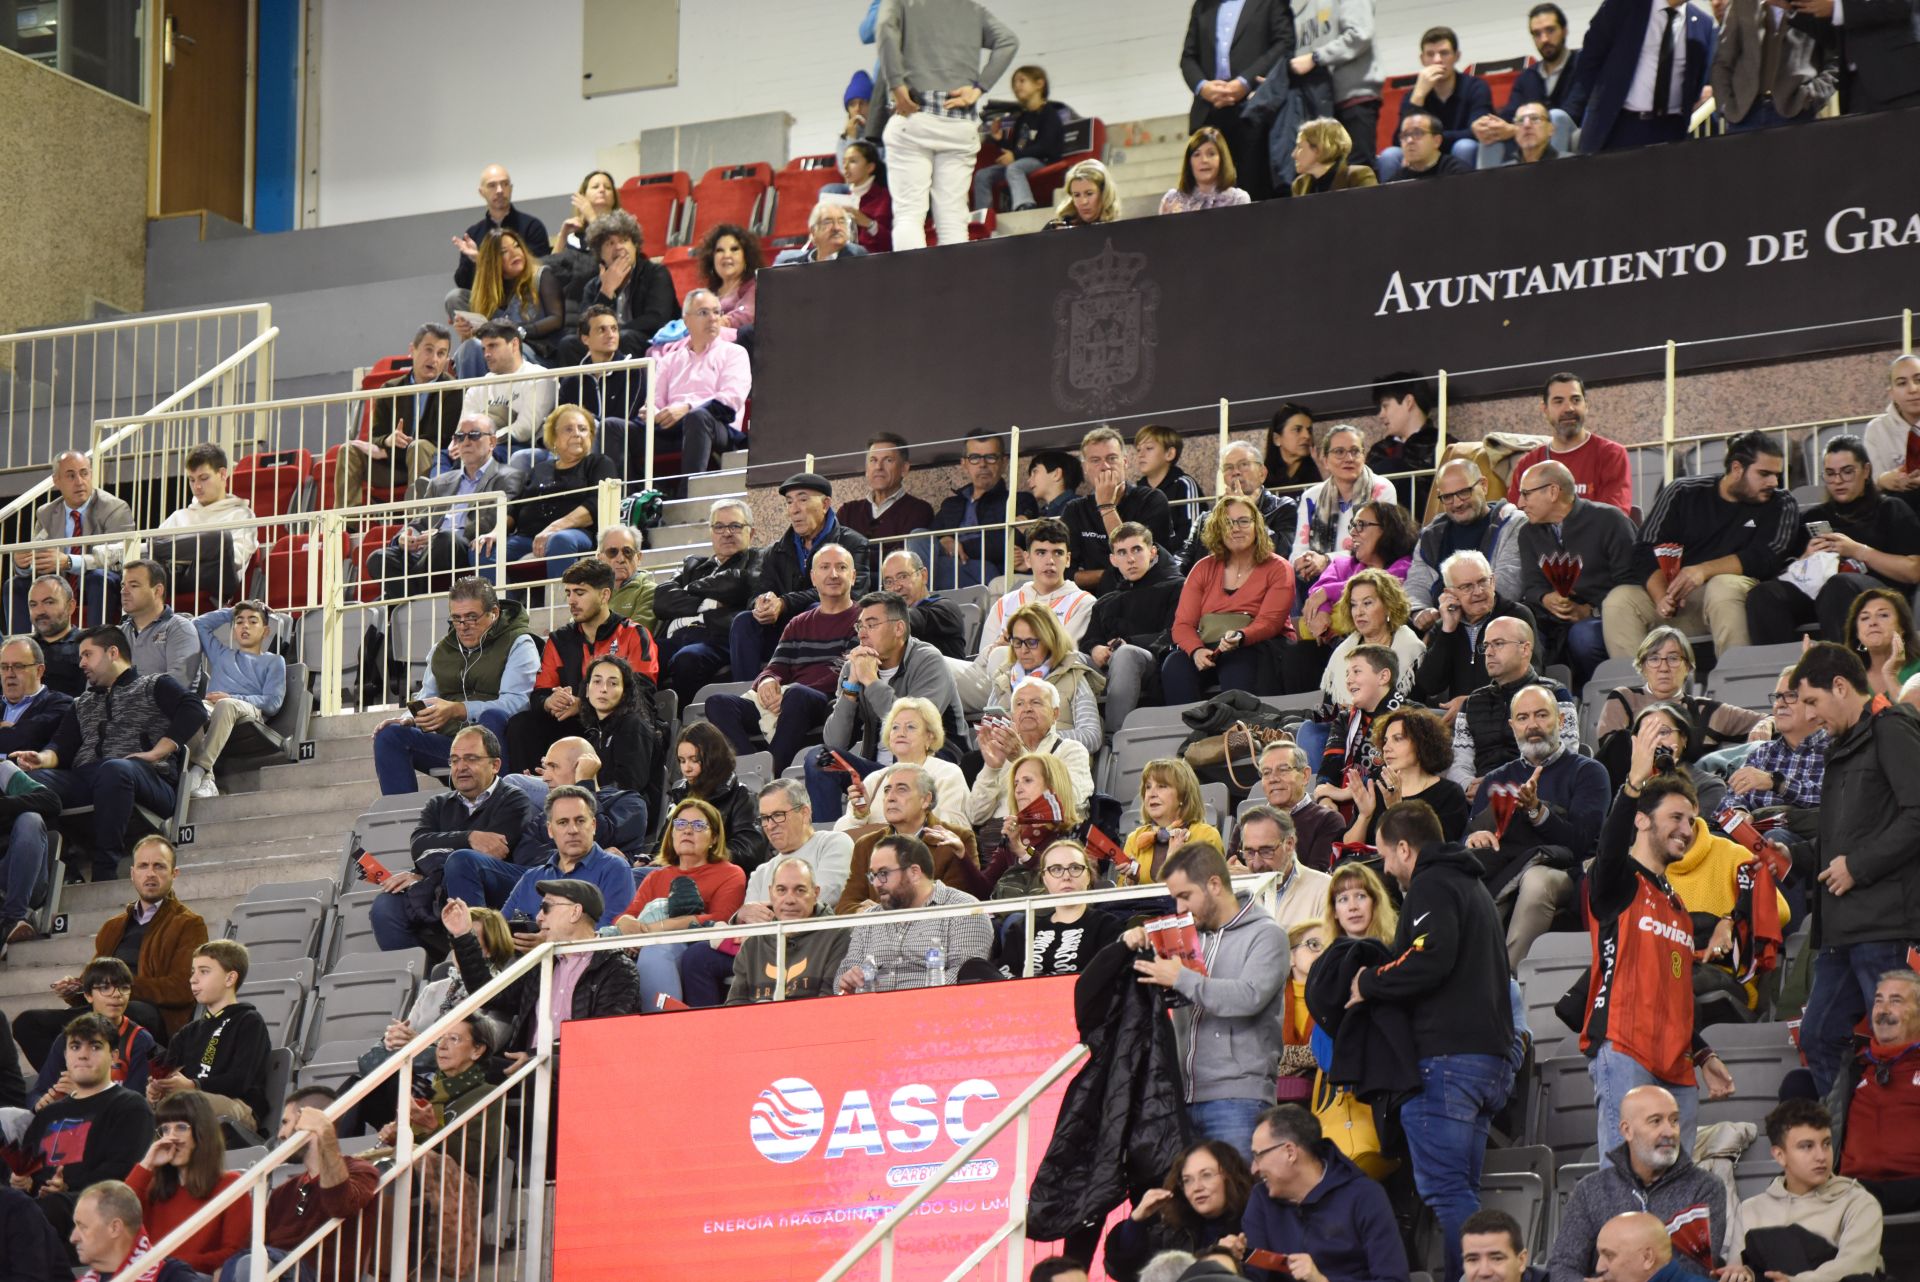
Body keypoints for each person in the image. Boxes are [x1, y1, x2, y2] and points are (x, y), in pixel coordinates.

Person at [1351, 801, 1514, 1282]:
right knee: (1462, 1190)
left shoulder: (1431, 883)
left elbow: (1428, 957)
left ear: (1405, 848)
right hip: (1487, 1061)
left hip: (1447, 1061)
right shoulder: (1470, 884)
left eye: (1385, 855)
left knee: (1446, 1192)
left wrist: (1370, 980)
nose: (1384, 867)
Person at [1579, 727, 1737, 1156]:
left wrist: (1704, 1055)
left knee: (1676, 1194)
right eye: (1676, 817)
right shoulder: (1617, 883)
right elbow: (1609, 850)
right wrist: (1632, 784)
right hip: (1626, 1050)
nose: (1687, 829)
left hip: (1678, 1067)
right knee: (1625, 1185)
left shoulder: (1679, 908)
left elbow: (1675, 995)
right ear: (1642, 819)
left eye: (1692, 820)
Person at [1792, 643, 1920, 1096]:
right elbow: (1846, 834)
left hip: (1886, 928)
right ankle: (1851, 1150)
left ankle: (1902, 1151)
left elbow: (1917, 814)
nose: (1809, 715)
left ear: (1841, 686)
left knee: (1899, 1046)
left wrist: (1858, 868)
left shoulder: (1892, 731)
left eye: (1812, 701)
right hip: (1842, 933)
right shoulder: (1842, 745)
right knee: (1818, 1037)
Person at [1124, 843, 1286, 1153]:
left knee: (1238, 1198)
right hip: (1182, 1097)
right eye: (1175, 898)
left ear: (1214, 884)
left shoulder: (1267, 934)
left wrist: (1181, 978)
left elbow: (1249, 996)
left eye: (1185, 896)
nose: (1179, 907)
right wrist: (1132, 941)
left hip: (1239, 1098)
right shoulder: (1185, 938)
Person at [12, 627, 204, 883]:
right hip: (88, 777)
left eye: (87, 655)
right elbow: (60, 747)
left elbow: (194, 709)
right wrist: (40, 760)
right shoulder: (81, 703)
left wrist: (159, 750)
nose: (81, 663)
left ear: (112, 653)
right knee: (28, 782)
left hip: (146, 777)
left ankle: (104, 872)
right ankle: (66, 869)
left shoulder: (154, 684)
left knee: (114, 769)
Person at [9, 838, 204, 1070]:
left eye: (159, 866)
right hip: (104, 1010)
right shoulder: (113, 926)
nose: (150, 874)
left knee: (127, 1011)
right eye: (143, 866)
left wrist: (120, 988)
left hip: (151, 1015)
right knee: (27, 1023)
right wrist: (77, 988)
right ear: (132, 874)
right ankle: (72, 1087)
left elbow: (183, 989)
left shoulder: (189, 924)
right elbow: (94, 979)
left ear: (174, 873)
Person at [1603, 431, 1796, 659]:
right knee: (1619, 601)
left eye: (1777, 475)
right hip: (1678, 598)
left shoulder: (1781, 503)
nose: (1773, 482)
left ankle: (1736, 681)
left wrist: (1702, 571)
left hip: (1734, 598)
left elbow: (1766, 557)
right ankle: (1637, 691)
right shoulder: (1683, 492)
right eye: (1764, 474)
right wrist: (1661, 597)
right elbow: (1644, 549)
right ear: (1736, 469)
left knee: (1722, 586)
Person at [1465, 684, 1612, 967]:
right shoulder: (1497, 778)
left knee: (1535, 881)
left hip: (1567, 871)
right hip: (1506, 864)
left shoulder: (1588, 771)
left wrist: (1536, 811)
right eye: (1523, 718)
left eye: (1542, 715)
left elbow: (1581, 841)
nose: (1532, 725)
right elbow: (1466, 838)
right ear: (1512, 726)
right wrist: (1475, 837)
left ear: (1561, 720)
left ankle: (1507, 979)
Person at [368, 724, 540, 957]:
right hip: (448, 885)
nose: (461, 768)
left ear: (495, 765)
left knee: (462, 861)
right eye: (455, 760)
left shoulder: (514, 799)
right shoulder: (437, 804)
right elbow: (419, 846)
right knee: (385, 907)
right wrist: (469, 837)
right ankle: (427, 977)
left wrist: (429, 871)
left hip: (507, 886)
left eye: (471, 759)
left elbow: (493, 852)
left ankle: (476, 956)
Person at [1746, 435, 1920, 645]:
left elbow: (1913, 571)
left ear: (1865, 471)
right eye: (1830, 474)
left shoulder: (1891, 509)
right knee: (1763, 595)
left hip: (1877, 596)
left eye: (1847, 472)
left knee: (1838, 585)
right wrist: (1805, 559)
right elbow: (1784, 575)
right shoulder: (1812, 517)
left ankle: (1844, 667)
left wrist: (1858, 551)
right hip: (1818, 593)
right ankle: (1784, 672)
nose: (1838, 481)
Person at [369, 578, 537, 795]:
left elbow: (517, 702)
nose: (463, 627)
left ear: (493, 612)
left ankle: (498, 803)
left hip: (499, 746)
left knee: (492, 717)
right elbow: (427, 698)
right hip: (452, 746)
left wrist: (459, 710)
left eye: (471, 618)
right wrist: (409, 718)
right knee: (390, 735)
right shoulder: (442, 649)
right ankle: (398, 820)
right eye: (456, 619)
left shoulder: (519, 642)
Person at [806, 592, 965, 818]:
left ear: (899, 628)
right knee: (819, 759)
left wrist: (870, 680)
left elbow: (912, 724)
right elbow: (835, 741)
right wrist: (852, 684)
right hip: (878, 773)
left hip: (928, 767)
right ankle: (832, 841)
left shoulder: (928, 660)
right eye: (859, 626)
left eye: (871, 625)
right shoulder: (856, 666)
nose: (862, 633)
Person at [875, 0, 1018, 250]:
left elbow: (885, 27)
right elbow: (1009, 41)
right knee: (953, 219)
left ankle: (914, 287)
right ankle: (957, 288)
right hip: (960, 121)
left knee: (909, 214)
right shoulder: (973, 9)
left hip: (914, 115)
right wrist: (978, 88)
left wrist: (896, 85)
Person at [706, 543, 860, 775]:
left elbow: (845, 671)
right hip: (789, 698)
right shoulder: (798, 622)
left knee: (797, 694)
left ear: (853, 576)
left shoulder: (863, 619)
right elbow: (778, 665)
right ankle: (754, 769)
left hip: (828, 701)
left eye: (841, 567)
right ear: (813, 577)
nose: (833, 574)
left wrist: (788, 692)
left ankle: (774, 771)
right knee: (716, 703)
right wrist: (768, 680)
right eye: (825, 567)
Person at [1549, 1087, 1730, 1281]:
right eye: (1656, 1121)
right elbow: (1562, 1266)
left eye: (1674, 1120)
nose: (1669, 1131)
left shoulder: (1706, 1187)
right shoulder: (1590, 1189)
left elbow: (1695, 1271)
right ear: (1627, 1130)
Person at [504, 558, 655, 775]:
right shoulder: (559, 639)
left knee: (626, 724)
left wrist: (584, 705)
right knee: (521, 724)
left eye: (580, 592)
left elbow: (642, 694)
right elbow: (539, 693)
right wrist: (549, 701)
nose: (572, 601)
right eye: (568, 593)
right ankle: (527, 787)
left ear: (604, 595)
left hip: (615, 723)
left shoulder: (633, 633)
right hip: (573, 725)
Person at [452, 880, 639, 1054]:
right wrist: (463, 937)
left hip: (576, 1076)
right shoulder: (540, 962)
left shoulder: (617, 968)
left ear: (575, 912)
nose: (539, 918)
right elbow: (492, 997)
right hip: (529, 1073)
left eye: (546, 908)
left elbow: (604, 1036)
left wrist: (537, 1057)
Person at [213, 1088, 380, 1282]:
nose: (281, 1134)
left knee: (251, 1265)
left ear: (307, 1122)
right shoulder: (283, 1191)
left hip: (314, 1275)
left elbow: (340, 1206)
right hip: (273, 1268)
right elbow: (250, 1246)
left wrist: (325, 1132)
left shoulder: (360, 1171)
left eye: (285, 1122)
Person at [11, 1014, 152, 1241]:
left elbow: (121, 1174)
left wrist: (67, 1186)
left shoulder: (131, 1107)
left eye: (95, 1047)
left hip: (97, 1211)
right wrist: (23, 1182)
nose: (83, 1054)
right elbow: (28, 1167)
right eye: (75, 1047)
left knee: (47, 1208)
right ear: (66, 1055)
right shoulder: (49, 1113)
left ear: (114, 1056)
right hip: (41, 1208)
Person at [444, 783, 634, 942]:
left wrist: (546, 944)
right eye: (563, 823)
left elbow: (611, 934)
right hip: (523, 974)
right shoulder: (531, 878)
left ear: (593, 825)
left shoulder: (614, 868)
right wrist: (466, 930)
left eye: (580, 820)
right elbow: (499, 934)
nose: (573, 829)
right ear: (550, 830)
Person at [1240, 1104, 1409, 1282]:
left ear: (1290, 1152)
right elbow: (1254, 1277)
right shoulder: (1261, 1198)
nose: (1254, 1169)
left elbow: (1393, 1278)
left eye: (1258, 1156)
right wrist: (1228, 1263)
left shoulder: (1365, 1196)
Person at [1722, 1098, 1885, 1281]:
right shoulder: (1749, 1210)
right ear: (1780, 1155)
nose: (1821, 1156)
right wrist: (1744, 1274)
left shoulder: (1858, 1202)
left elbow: (1855, 1266)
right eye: (1807, 1146)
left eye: (1826, 1144)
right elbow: (1737, 1270)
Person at [363, 415, 526, 597]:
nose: (465, 442)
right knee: (378, 558)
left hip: (462, 545)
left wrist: (436, 536)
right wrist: (406, 538)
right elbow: (419, 523)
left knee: (446, 539)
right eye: (459, 436)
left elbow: (500, 517)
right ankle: (415, 600)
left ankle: (399, 600)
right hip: (427, 550)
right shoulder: (440, 482)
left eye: (473, 435)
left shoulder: (509, 476)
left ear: (492, 442)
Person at [730, 473, 872, 680]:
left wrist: (785, 603)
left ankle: (817, 685)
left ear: (825, 504)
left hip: (833, 631)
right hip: (785, 633)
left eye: (803, 500)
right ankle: (748, 692)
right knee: (745, 620)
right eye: (789, 502)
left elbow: (854, 594)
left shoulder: (852, 543)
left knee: (817, 609)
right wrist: (763, 603)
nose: (794, 509)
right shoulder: (776, 550)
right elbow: (758, 591)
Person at [1513, 459, 1640, 686]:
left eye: (1526, 494)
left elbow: (1632, 583)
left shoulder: (1610, 520)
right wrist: (1546, 598)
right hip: (1551, 619)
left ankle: (1602, 694)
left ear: (1553, 492)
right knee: (1520, 634)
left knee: (1583, 636)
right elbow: (1532, 586)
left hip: (1606, 617)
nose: (1519, 503)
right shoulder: (1527, 533)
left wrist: (1592, 611)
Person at [614, 797, 748, 1009]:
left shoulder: (730, 873)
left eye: (698, 825)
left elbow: (719, 920)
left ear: (713, 837)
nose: (687, 830)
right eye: (680, 824)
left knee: (656, 951)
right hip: (646, 946)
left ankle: (663, 1028)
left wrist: (654, 930)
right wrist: (625, 923)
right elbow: (627, 915)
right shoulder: (656, 877)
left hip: (696, 950)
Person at [1165, 496, 1296, 704]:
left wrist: (1241, 636)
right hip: (1210, 643)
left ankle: (1240, 733)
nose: (1235, 528)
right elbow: (1182, 625)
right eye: (1227, 522)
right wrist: (1196, 650)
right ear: (1218, 530)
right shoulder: (1202, 568)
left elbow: (1271, 622)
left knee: (1238, 661)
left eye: (1243, 521)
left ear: (1257, 526)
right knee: (1175, 664)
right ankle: (1190, 733)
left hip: (1261, 644)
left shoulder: (1278, 567)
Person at [961, 518, 1096, 712]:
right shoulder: (1005, 602)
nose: (1050, 561)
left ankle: (1008, 724)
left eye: (1057, 553)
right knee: (935, 662)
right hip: (991, 683)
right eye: (1041, 553)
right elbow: (982, 659)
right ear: (1027, 558)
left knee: (1001, 655)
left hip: (1046, 687)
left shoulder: (1083, 602)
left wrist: (1007, 650)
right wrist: (995, 647)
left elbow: (1064, 655)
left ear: (1067, 559)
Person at [1591, 628, 1766, 772]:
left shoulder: (1706, 711)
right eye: (1654, 659)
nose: (1664, 667)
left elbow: (1773, 720)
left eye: (1673, 659)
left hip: (1688, 793)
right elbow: (1613, 753)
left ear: (1688, 667)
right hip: (1630, 787)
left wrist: (1766, 723)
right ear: (1643, 667)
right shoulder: (1624, 698)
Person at [836, 833, 994, 991]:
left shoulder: (963, 909)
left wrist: (904, 1004)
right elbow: (840, 981)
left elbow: (967, 976)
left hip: (935, 1009)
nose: (876, 883)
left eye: (884, 874)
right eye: (873, 875)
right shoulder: (870, 919)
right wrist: (847, 983)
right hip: (872, 1009)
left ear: (914, 872)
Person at [145, 941, 269, 1134]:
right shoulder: (187, 1033)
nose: (193, 980)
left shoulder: (249, 1022)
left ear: (230, 978)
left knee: (185, 1104)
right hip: (186, 1105)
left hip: (238, 1106)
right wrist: (156, 1090)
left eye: (203, 971)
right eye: (192, 972)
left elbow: (241, 1080)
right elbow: (168, 1073)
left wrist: (195, 1085)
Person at [1825, 969, 1920, 1212]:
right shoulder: (1854, 1069)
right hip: (1854, 1193)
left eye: (1896, 1001)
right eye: (1878, 1001)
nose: (1883, 1010)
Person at [1179, 0, 1293, 202]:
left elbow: (1284, 43)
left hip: (1254, 110)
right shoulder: (1202, 6)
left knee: (1256, 195)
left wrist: (1244, 82)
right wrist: (1203, 87)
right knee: (1208, 200)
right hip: (1209, 113)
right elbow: (1188, 57)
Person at [337, 323, 461, 508]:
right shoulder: (390, 388)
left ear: (447, 358)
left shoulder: (453, 389)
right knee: (348, 450)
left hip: (432, 462)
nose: (434, 359)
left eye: (441, 353)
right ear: (413, 350)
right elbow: (376, 434)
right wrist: (387, 441)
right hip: (392, 464)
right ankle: (346, 529)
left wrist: (388, 448)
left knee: (419, 447)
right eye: (428, 350)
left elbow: (442, 438)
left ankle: (416, 525)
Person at [9, 452, 134, 634]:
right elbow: (39, 552)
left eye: (84, 473)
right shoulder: (47, 513)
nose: (79, 481)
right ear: (56, 481)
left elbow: (119, 558)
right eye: (70, 475)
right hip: (62, 583)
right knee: (15, 584)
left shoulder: (115, 508)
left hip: (99, 581)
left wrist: (69, 561)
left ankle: (97, 640)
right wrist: (24, 564)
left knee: (98, 578)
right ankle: (21, 648)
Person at [1570, 0, 1719, 152]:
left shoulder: (1702, 23)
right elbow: (1589, 58)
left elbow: (1697, 80)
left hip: (1671, 129)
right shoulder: (1625, 5)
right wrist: (1602, 102)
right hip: (1619, 125)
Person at [1448, 617, 1579, 788]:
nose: (1489, 652)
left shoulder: (1555, 694)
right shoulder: (1472, 703)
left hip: (1537, 793)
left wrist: (1511, 787)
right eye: (1486, 645)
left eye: (1498, 643)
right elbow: (1459, 763)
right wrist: (1468, 786)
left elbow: (1566, 756)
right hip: (1482, 798)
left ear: (1525, 649)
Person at [127, 1092, 247, 1277]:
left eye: (181, 1127)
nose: (171, 1137)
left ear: (202, 1133)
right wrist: (146, 1165)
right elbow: (116, 1216)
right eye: (165, 1130)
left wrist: (170, 1264)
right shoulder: (152, 1187)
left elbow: (234, 1255)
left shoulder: (230, 1185)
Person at [653, 499, 762, 702]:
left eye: (735, 526)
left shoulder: (759, 559)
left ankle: (687, 727)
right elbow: (662, 600)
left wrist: (687, 593)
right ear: (711, 532)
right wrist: (709, 603)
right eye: (719, 527)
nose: (727, 533)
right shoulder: (694, 566)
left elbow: (736, 585)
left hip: (719, 638)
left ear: (751, 532)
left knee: (688, 658)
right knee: (640, 655)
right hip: (677, 637)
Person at [640, 289, 750, 485]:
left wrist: (688, 407)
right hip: (670, 426)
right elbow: (655, 402)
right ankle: (628, 502)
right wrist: (653, 412)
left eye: (717, 312)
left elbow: (729, 401)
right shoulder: (669, 360)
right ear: (686, 320)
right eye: (704, 313)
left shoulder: (735, 353)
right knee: (615, 427)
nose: (713, 319)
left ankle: (686, 496)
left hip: (716, 425)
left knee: (696, 417)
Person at [840, 763, 984, 912]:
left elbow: (958, 902)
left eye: (901, 789)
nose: (890, 798)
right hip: (876, 933)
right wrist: (860, 911)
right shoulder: (866, 845)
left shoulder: (957, 839)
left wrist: (881, 910)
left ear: (926, 800)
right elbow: (845, 905)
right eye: (887, 791)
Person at [1295, 500, 1417, 674]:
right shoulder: (1342, 564)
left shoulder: (1405, 566)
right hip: (1330, 646)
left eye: (1361, 525)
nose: (1353, 532)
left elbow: (1382, 584)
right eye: (1353, 525)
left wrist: (1328, 593)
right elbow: (1316, 591)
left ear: (1387, 529)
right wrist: (1322, 609)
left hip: (1381, 651)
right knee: (1298, 653)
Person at [499, 404, 619, 580]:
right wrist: (496, 532)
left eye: (583, 429)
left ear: (591, 436)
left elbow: (595, 505)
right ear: (554, 438)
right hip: (527, 538)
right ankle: (504, 605)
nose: (577, 433)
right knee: (485, 551)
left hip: (575, 534)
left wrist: (553, 528)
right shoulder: (539, 469)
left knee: (560, 540)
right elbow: (516, 507)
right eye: (568, 429)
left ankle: (564, 603)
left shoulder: (599, 463)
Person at [1104, 1142, 1255, 1282]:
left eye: (1206, 1175)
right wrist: (1136, 1220)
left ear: (1232, 1176)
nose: (1196, 1187)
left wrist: (1241, 1258)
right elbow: (1122, 1271)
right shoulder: (1173, 1230)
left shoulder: (1256, 1222)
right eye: (1187, 1180)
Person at [963, 677, 1095, 830]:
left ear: (1055, 714)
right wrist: (992, 769)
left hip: (1048, 838)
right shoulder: (1002, 754)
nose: (1027, 708)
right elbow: (975, 816)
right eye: (1020, 704)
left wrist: (1020, 757)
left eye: (1036, 702)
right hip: (1000, 840)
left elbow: (1070, 800)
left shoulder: (1071, 750)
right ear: (1012, 717)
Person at [1091, 523, 1187, 733]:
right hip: (1106, 665)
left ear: (1152, 552)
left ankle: (1114, 736)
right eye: (1122, 553)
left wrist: (1130, 643)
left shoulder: (1176, 587)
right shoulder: (1105, 601)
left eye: (1137, 550)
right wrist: (1095, 649)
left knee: (1126, 654)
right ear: (1113, 560)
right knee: (1072, 660)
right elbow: (1090, 639)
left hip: (1155, 662)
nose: (1131, 559)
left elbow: (1175, 634)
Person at [183, 602, 285, 799]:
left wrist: (233, 697)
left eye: (252, 621)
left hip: (248, 711)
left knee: (226, 704)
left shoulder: (274, 661)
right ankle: (207, 780)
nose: (245, 626)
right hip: (215, 707)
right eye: (239, 622)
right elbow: (197, 625)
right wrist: (231, 612)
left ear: (265, 631)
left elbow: (273, 703)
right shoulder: (222, 655)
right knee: (190, 707)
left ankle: (199, 768)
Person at [1410, 553, 1537, 710]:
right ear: (1450, 593)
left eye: (1483, 581)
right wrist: (1447, 630)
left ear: (1493, 582)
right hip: (1460, 723)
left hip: (1508, 714)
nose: (1478, 591)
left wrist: (1472, 704)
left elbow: (1529, 678)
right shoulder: (1445, 627)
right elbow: (1430, 685)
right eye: (1467, 587)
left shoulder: (1516, 616)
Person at [1405, 461, 1525, 627]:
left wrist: (1450, 615)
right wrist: (1420, 612)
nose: (1457, 503)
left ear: (1483, 485)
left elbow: (1508, 584)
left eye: (1464, 492)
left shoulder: (1513, 524)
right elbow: (1417, 582)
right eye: (1447, 497)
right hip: (1439, 624)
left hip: (1495, 622)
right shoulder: (1432, 535)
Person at [723, 855, 851, 1004]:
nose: (789, 900)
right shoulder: (753, 942)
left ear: (816, 894)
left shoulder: (838, 935)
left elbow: (828, 1002)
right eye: (781, 890)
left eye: (800, 890)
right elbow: (735, 1004)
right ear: (771, 893)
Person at [23, 957, 154, 1103]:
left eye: (124, 988)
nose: (117, 994)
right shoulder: (67, 1038)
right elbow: (38, 1092)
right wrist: (40, 1104)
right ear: (88, 995)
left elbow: (134, 1104)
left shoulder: (140, 1039)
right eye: (105, 988)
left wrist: (85, 1092)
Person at [554, 210, 677, 363]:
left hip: (648, 341)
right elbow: (585, 328)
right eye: (610, 243)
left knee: (624, 339)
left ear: (635, 246)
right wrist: (606, 292)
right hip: (606, 342)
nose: (618, 247)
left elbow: (657, 319)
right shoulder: (592, 286)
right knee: (568, 344)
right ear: (600, 254)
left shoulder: (655, 273)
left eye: (624, 240)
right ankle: (581, 387)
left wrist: (614, 333)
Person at [1471, 6, 1584, 164]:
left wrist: (1517, 128)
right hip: (1531, 138)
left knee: (1557, 117)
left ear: (1564, 31)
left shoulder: (1583, 63)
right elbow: (1509, 115)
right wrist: (1491, 125)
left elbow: (1574, 111)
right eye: (1537, 34)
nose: (1544, 39)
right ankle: (1488, 188)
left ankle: (1554, 179)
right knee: (1491, 135)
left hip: (1571, 133)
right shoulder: (1527, 76)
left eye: (1550, 30)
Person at [1509, 374, 1634, 515]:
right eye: (1558, 401)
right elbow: (1516, 520)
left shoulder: (1612, 455)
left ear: (1586, 406)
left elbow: (1613, 519)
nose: (1569, 408)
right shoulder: (1528, 464)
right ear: (1545, 409)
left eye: (1576, 400)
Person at [1067, 428, 1174, 592]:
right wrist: (1113, 575)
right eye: (1095, 460)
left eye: (1112, 458)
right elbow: (1067, 573)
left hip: (1143, 594)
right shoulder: (1074, 510)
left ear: (1125, 461)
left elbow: (1148, 564)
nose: (1105, 466)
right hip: (1092, 602)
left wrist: (1106, 506)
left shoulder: (1152, 499)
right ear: (1085, 467)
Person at [995, 839, 1120, 976]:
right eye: (1056, 869)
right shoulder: (1022, 929)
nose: (1066, 876)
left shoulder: (1107, 926)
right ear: (1044, 879)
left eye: (1075, 868)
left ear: (1089, 876)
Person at [1290, 424, 1398, 582]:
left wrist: (1327, 560)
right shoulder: (1311, 497)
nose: (1349, 458)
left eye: (1355, 451)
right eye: (1339, 452)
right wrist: (1305, 561)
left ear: (1364, 456)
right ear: (1325, 460)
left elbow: (1380, 547)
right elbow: (1298, 551)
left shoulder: (1382, 489)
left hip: (1368, 574)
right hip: (1321, 577)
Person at [1376, 30, 1489, 179]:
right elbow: (1399, 140)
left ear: (1457, 56)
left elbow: (1477, 132)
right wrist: (1419, 96)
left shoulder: (1475, 87)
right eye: (1430, 54)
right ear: (1422, 59)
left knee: (1465, 146)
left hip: (1457, 154)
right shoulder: (1413, 95)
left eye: (1444, 53)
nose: (1437, 60)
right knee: (1389, 155)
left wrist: (1431, 140)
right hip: (1423, 152)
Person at [443, 164, 551, 320]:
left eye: (505, 184)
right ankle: (490, 335)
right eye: (492, 185)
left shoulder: (531, 226)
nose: (500, 190)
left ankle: (507, 333)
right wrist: (472, 261)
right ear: (482, 192)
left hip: (522, 300)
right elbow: (463, 284)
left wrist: (483, 259)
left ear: (511, 188)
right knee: (455, 297)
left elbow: (539, 271)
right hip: (489, 306)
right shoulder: (474, 233)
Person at [1345, 710, 1470, 844]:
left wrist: (1397, 809)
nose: (1386, 748)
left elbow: (1435, 852)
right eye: (1385, 741)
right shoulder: (1374, 790)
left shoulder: (1449, 794)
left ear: (1421, 743)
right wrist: (1364, 816)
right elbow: (1347, 850)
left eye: (1398, 739)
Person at [1711, 0, 1838, 130]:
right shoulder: (1742, 3)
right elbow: (1723, 61)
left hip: (1798, 112)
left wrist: (1812, 97)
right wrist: (1725, 104)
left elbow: (1836, 58)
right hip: (1744, 114)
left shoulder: (1817, 2)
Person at [153, 444, 258, 598]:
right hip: (176, 578)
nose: (197, 486)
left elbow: (236, 559)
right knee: (151, 549)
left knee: (220, 538)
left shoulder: (242, 515)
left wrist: (186, 553)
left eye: (204, 478)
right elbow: (154, 550)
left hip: (217, 580)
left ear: (222, 474)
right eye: (191, 480)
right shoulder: (179, 516)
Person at [1179, 443, 1298, 577]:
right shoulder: (1206, 520)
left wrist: (1247, 509)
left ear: (1262, 473)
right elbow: (1183, 559)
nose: (1235, 472)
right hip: (1212, 588)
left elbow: (1284, 552)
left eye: (1244, 465)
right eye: (1228, 468)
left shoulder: (1284, 508)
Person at [666, 722, 771, 873]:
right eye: (682, 761)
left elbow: (749, 851)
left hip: (719, 875)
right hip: (679, 870)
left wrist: (702, 854)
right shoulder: (680, 795)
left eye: (694, 760)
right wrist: (648, 859)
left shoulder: (742, 796)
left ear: (713, 757)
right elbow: (664, 843)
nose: (686, 768)